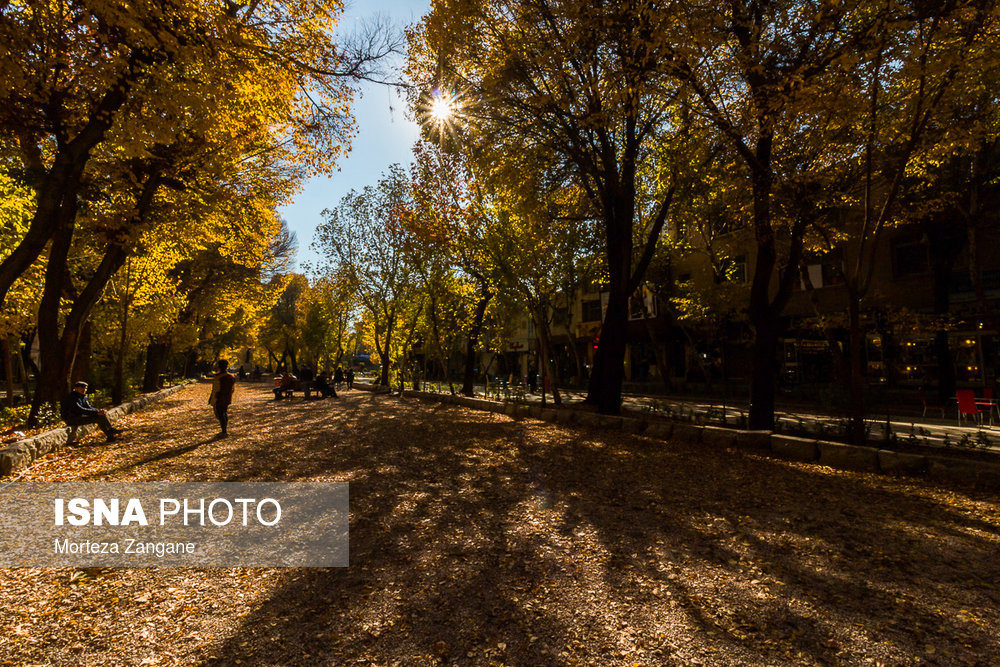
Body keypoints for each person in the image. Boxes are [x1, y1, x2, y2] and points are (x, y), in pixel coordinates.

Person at [208, 360, 236, 437]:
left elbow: (217, 389)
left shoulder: (222, 377)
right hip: (226, 398)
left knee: (220, 414)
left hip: (220, 398)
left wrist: (215, 397)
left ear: (219, 366)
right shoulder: (229, 376)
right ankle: (224, 430)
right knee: (223, 413)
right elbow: (232, 389)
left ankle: (224, 431)